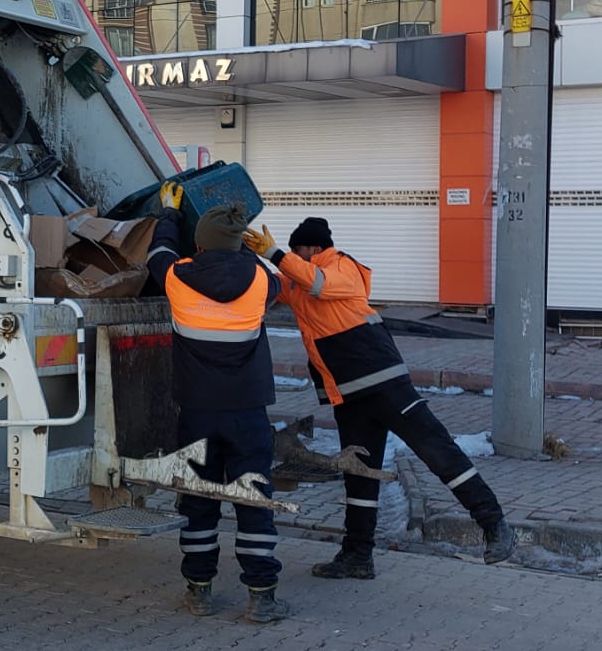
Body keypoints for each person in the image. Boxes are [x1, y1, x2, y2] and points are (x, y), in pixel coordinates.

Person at [248, 216, 516, 577]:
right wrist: (240, 251)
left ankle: (495, 524)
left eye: (297, 252)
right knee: (359, 474)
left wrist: (276, 253)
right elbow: (270, 285)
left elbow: (320, 285)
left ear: (312, 248)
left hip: (385, 385)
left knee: (437, 450)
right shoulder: (298, 279)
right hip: (349, 396)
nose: (292, 259)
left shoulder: (342, 267)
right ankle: (357, 556)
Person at [146, 196, 293, 624]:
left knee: (199, 502)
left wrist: (170, 214)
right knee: (254, 499)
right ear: (236, 244)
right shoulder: (261, 282)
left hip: (197, 411)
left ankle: (199, 591)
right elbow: (275, 278)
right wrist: (249, 246)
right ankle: (262, 596)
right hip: (248, 412)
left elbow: (159, 253)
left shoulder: (176, 277)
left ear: (200, 244)